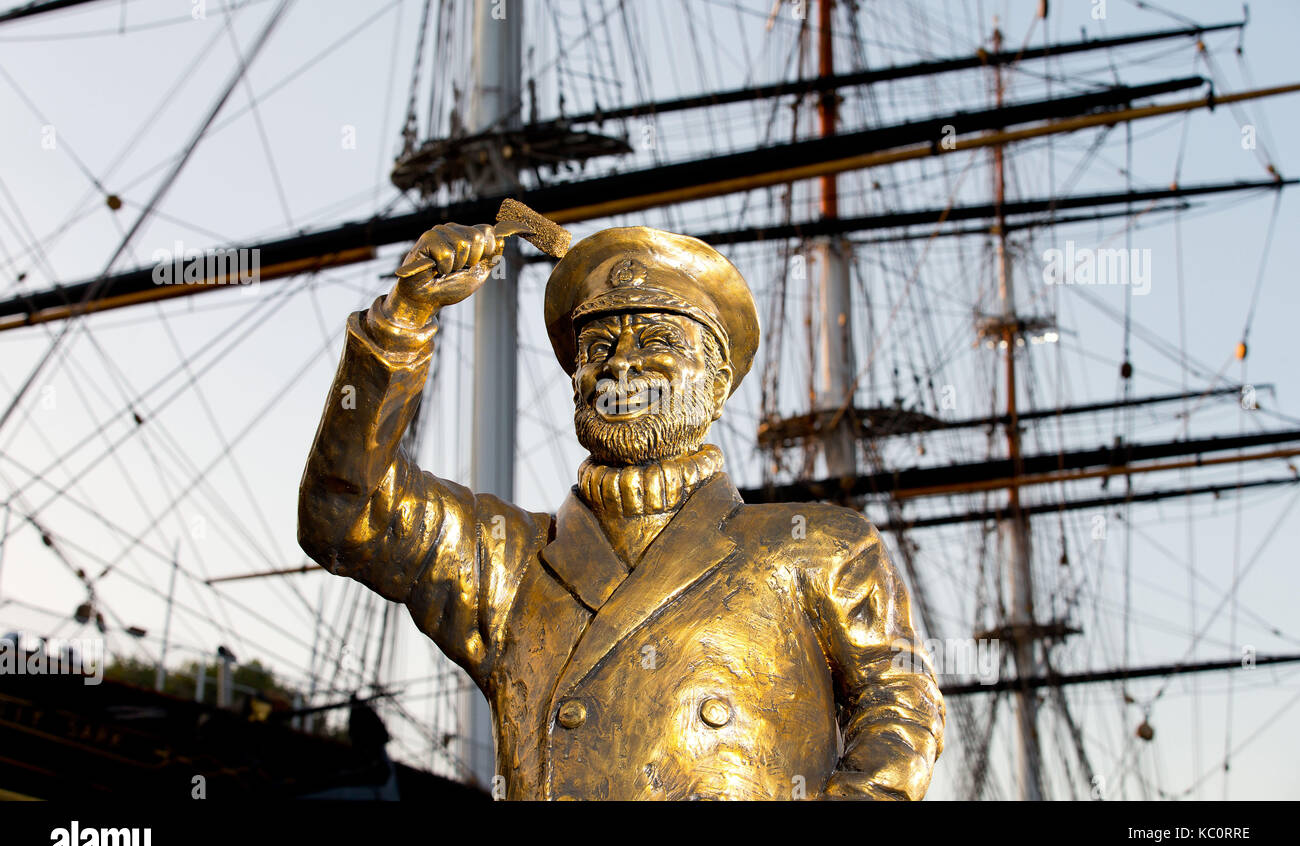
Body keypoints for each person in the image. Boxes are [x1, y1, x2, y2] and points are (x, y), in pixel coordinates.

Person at [298, 221, 945, 800]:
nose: (622, 366)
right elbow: (342, 514)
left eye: (658, 339)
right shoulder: (511, 562)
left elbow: (901, 707)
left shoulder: (819, 545)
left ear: (716, 382)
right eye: (597, 348)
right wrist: (400, 324)